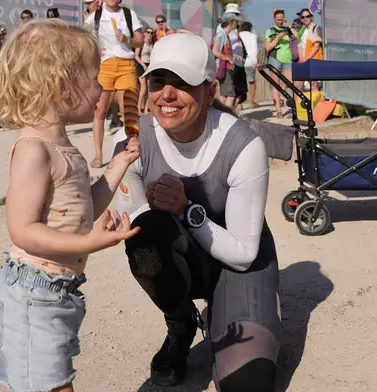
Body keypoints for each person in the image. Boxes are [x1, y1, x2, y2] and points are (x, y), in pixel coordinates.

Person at [112, 33, 280, 391]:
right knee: (146, 236)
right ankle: (181, 323)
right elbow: (141, 232)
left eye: (183, 83)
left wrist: (186, 208)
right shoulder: (132, 142)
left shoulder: (243, 145)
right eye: (158, 82)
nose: (167, 95)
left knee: (247, 382)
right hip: (187, 258)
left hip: (240, 265)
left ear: (210, 90)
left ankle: (232, 309)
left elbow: (243, 254)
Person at [0, 19, 141, 392]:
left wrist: (118, 165)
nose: (103, 88)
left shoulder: (64, 149)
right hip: (30, 296)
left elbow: (82, 208)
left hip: (54, 293)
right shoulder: (34, 150)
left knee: (48, 383)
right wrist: (90, 244)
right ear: (61, 85)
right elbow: (23, 230)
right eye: (95, 79)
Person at [84, 0, 144, 168]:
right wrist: (89, 14)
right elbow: (83, 34)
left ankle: (132, 151)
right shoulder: (96, 15)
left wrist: (127, 39)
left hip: (126, 65)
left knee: (128, 110)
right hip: (105, 66)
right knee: (100, 112)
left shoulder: (128, 14)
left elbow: (140, 41)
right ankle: (98, 155)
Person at [265, 9, 300, 118]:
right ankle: (279, 111)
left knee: (292, 82)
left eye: (282, 19)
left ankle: (283, 98)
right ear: (274, 19)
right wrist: (278, 38)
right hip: (275, 59)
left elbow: (297, 37)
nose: (280, 21)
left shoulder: (287, 29)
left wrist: (289, 26)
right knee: (275, 85)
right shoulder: (270, 31)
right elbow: (268, 47)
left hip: (287, 60)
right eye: (278, 19)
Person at [212, 15, 237, 108]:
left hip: (225, 67)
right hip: (225, 68)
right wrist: (228, 58)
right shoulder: (221, 35)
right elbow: (215, 51)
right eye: (235, 22)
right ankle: (227, 115)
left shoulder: (225, 35)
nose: (236, 24)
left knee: (223, 94)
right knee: (230, 95)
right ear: (230, 23)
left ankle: (221, 113)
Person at [297, 7, 323, 91]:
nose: (305, 18)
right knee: (306, 85)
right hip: (306, 61)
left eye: (307, 16)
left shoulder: (316, 28)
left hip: (314, 60)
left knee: (314, 84)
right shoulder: (304, 30)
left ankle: (316, 103)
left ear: (312, 17)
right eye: (303, 17)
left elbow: (316, 46)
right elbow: (302, 46)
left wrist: (308, 58)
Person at [238, 21, 259, 108]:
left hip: (239, 62)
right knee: (251, 82)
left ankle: (239, 104)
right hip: (250, 61)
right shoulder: (253, 36)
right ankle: (252, 102)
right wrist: (255, 62)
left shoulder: (238, 35)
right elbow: (255, 49)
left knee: (239, 83)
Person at [135, 27, 154, 115]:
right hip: (141, 64)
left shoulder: (152, 44)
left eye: (151, 33)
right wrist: (143, 65)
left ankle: (146, 109)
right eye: (148, 32)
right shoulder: (141, 43)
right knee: (143, 88)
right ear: (145, 33)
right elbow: (136, 56)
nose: (149, 34)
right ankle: (138, 108)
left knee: (150, 89)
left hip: (149, 65)